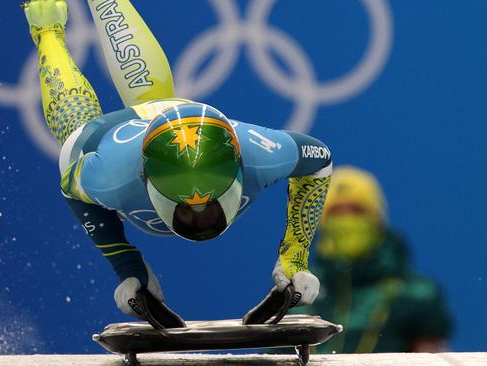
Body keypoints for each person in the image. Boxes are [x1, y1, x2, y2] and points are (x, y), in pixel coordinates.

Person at [21, 0, 332, 320]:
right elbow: (69, 187)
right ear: (146, 181)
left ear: (240, 169)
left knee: (156, 103)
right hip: (114, 141)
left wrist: (295, 256)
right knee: (73, 138)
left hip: (174, 120)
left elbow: (320, 162)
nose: (200, 217)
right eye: (189, 209)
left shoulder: (262, 154)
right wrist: (127, 265)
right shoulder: (110, 175)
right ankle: (47, 29)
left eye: (206, 204)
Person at [311, 166, 453, 352]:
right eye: (336, 212)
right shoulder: (299, 295)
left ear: (376, 218)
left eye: (357, 210)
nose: (346, 220)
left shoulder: (416, 295)